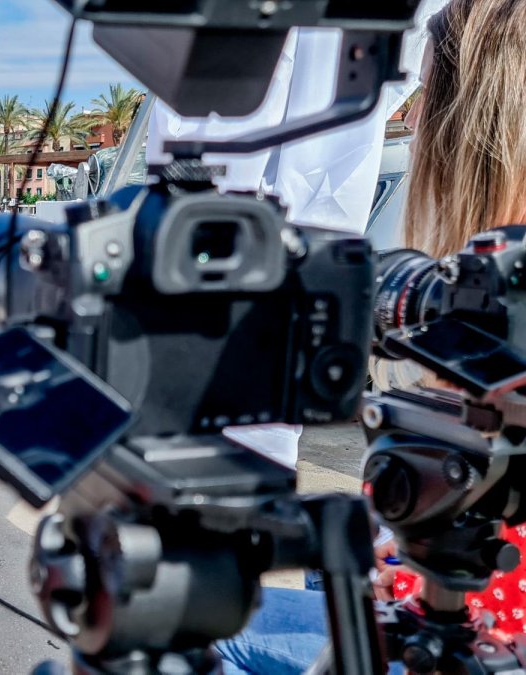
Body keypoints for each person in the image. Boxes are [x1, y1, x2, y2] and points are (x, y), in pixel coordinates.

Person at [217, 0, 526, 671]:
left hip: (480, 634)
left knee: (209, 618)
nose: (410, 120)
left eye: (424, 100)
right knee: (322, 558)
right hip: (457, 594)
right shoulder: (498, 297)